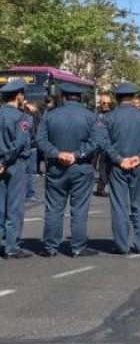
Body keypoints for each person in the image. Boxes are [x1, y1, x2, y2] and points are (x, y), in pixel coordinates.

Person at [37, 83, 103, 257]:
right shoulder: (90, 116)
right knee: (79, 209)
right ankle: (78, 246)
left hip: (56, 167)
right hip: (81, 166)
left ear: (63, 97)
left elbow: (41, 140)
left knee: (53, 208)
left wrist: (57, 153)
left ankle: (50, 246)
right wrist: (77, 154)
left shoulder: (49, 115)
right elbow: (97, 141)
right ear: (79, 98)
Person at [103, 83, 140, 255]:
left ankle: (121, 245)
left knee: (119, 206)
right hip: (139, 165)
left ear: (116, 98)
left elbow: (103, 143)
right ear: (134, 98)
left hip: (116, 166)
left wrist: (119, 159)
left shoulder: (108, 118)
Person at [0, 79, 32, 259]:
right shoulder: (22, 117)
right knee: (14, 208)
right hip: (15, 164)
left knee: (0, 207)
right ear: (19, 95)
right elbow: (19, 143)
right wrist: (5, 161)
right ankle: (11, 247)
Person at [94, 94, 113, 197]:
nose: (106, 105)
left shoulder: (113, 114)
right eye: (104, 103)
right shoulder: (95, 113)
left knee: (104, 167)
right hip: (94, 143)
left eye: (108, 103)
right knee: (90, 166)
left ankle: (100, 188)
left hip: (106, 144)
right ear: (100, 103)